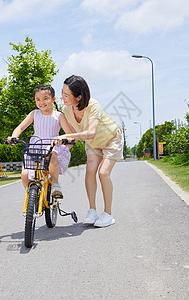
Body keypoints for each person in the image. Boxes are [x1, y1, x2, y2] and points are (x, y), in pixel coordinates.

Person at [55, 75, 123, 228]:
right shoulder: (67, 110)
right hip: (93, 144)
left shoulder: (93, 106)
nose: (62, 97)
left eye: (66, 95)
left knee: (103, 173)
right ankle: (92, 211)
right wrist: (59, 151)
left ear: (79, 97)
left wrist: (66, 135)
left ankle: (108, 214)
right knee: (90, 171)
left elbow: (90, 132)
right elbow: (73, 137)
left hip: (111, 138)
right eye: (62, 93)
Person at [7, 84, 74, 197]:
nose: (41, 102)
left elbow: (69, 134)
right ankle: (32, 198)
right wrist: (14, 137)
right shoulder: (34, 114)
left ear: (53, 99)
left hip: (52, 146)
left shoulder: (58, 116)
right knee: (24, 174)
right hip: (35, 147)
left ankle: (55, 185)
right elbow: (21, 127)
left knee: (53, 155)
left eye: (45, 98)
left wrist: (65, 140)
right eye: (38, 99)